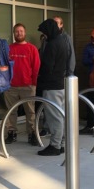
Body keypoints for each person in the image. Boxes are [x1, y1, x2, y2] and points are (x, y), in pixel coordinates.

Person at [4, 23, 40, 145]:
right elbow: (4, 66)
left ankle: (32, 134)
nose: (19, 33)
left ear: (25, 33)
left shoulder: (32, 48)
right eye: (17, 31)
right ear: (14, 33)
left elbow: (36, 67)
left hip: (27, 86)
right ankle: (11, 133)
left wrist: (33, 83)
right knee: (11, 111)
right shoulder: (8, 49)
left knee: (30, 112)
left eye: (21, 31)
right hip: (11, 86)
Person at [36, 18, 67, 156]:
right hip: (60, 84)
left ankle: (55, 146)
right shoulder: (62, 41)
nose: (44, 35)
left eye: (44, 32)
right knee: (60, 115)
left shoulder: (52, 44)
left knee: (54, 117)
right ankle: (61, 144)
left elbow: (48, 66)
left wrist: (40, 77)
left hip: (51, 86)